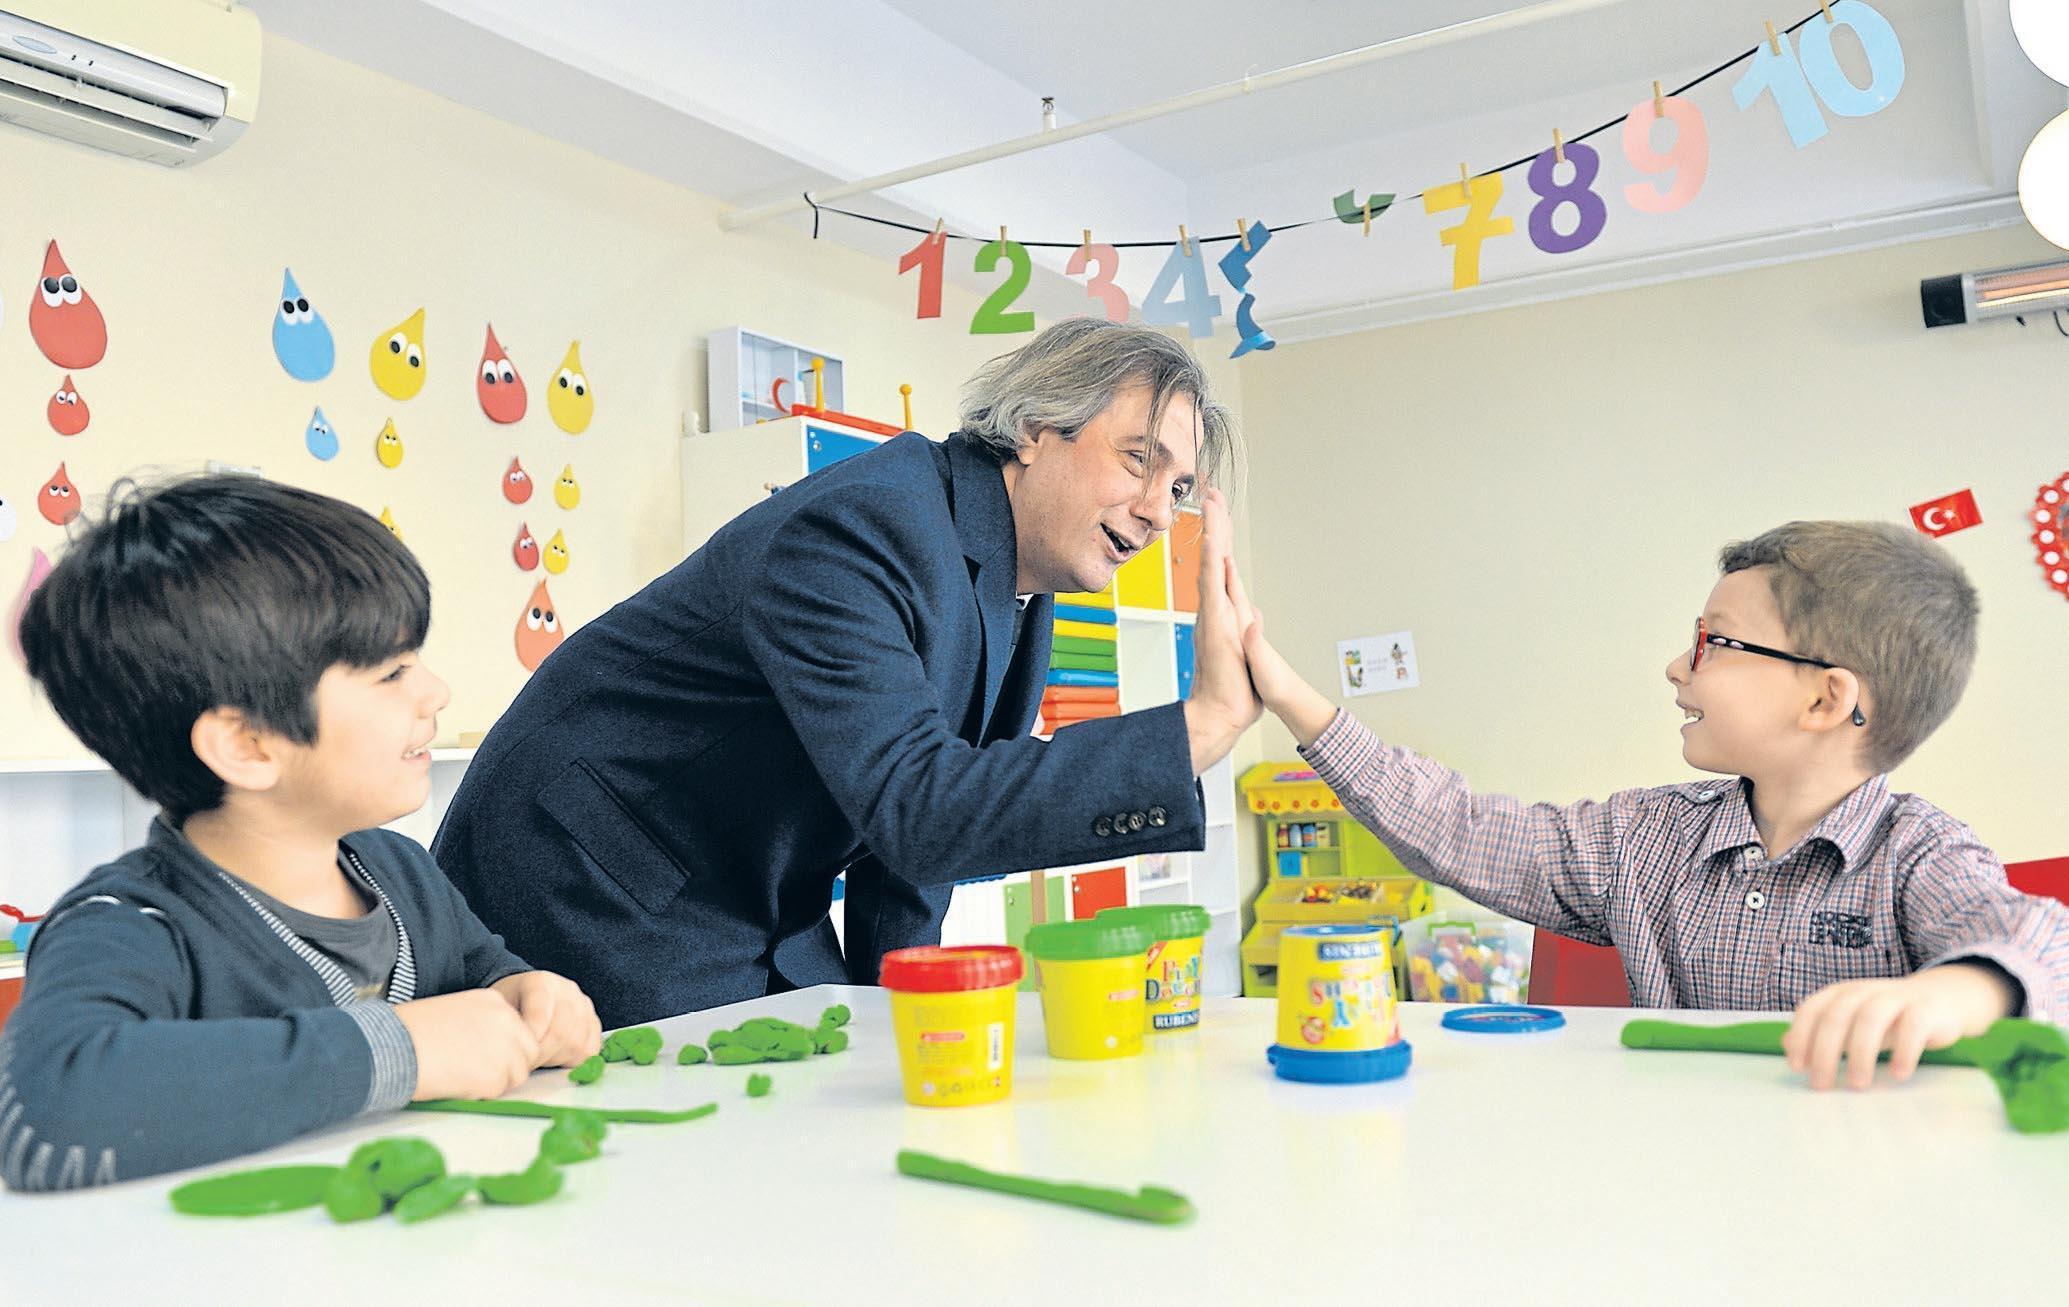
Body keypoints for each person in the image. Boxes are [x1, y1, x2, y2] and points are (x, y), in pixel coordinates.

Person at [436, 320, 1261, 1025]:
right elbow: (920, 804)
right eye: (1136, 460)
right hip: (594, 873)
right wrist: (1195, 729)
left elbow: (914, 852)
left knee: (851, 1079)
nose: (1159, 510)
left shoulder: (1015, 579)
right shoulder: (866, 525)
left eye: (1179, 486)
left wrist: (910, 1015)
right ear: (1036, 429)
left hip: (738, 885)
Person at [1238, 520, 2069, 1090]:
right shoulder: (1645, 835)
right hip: (1673, 1175)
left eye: (1714, 640)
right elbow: (1459, 827)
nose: (1679, 664)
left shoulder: (1917, 852)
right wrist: (1292, 700)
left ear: (1825, 700)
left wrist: (1959, 991)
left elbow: (2034, 940)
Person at [2, 477, 600, 1191]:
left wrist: (532, 998)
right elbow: (47, 1113)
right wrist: (399, 1048)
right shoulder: (130, 923)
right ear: (250, 745)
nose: (435, 690)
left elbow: (487, 975)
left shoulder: (403, 871)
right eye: (392, 672)